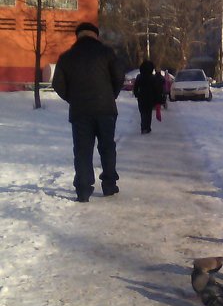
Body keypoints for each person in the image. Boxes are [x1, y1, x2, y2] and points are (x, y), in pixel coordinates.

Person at [53, 22, 125, 202]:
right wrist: (110, 96)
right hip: (106, 110)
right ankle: (109, 185)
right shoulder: (107, 53)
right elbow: (119, 77)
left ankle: (83, 190)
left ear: (78, 36)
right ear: (96, 36)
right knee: (107, 147)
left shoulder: (66, 57)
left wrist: (73, 98)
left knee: (82, 150)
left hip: (80, 112)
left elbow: (57, 84)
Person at [133, 59, 164, 134]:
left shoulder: (139, 77)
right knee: (148, 112)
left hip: (141, 97)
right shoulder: (153, 78)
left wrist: (136, 94)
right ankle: (147, 127)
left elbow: (135, 87)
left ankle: (143, 127)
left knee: (143, 112)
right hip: (150, 97)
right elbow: (157, 89)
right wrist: (158, 99)